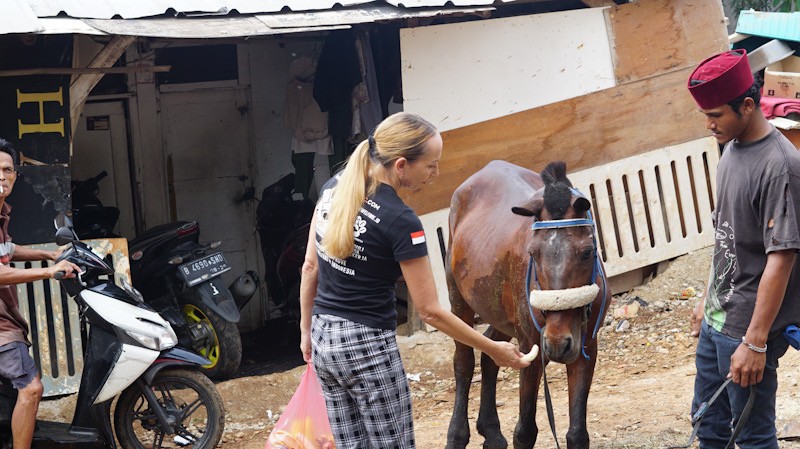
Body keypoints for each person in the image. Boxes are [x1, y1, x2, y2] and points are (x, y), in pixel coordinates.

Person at [298, 112, 529, 448]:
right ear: (402, 164)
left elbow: (309, 268)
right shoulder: (401, 220)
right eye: (431, 165)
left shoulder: (333, 189)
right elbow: (431, 311)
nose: (436, 174)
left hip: (323, 339)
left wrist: (306, 332)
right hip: (367, 348)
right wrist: (494, 349)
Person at [686, 49, 800, 448]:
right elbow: (726, 239)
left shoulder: (780, 165)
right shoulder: (730, 152)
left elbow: (782, 257)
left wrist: (755, 342)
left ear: (747, 106)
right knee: (708, 427)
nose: (709, 124)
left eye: (716, 115)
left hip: (747, 330)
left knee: (753, 437)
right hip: (718, 320)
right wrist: (707, 299)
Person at [0, 138, 79, 449]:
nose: (1, 176)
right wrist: (48, 272)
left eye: (7, 169)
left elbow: (6, 250)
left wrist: (48, 255)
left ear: (16, 176)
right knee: (31, 388)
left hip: (6, 317)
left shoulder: (2, 212)